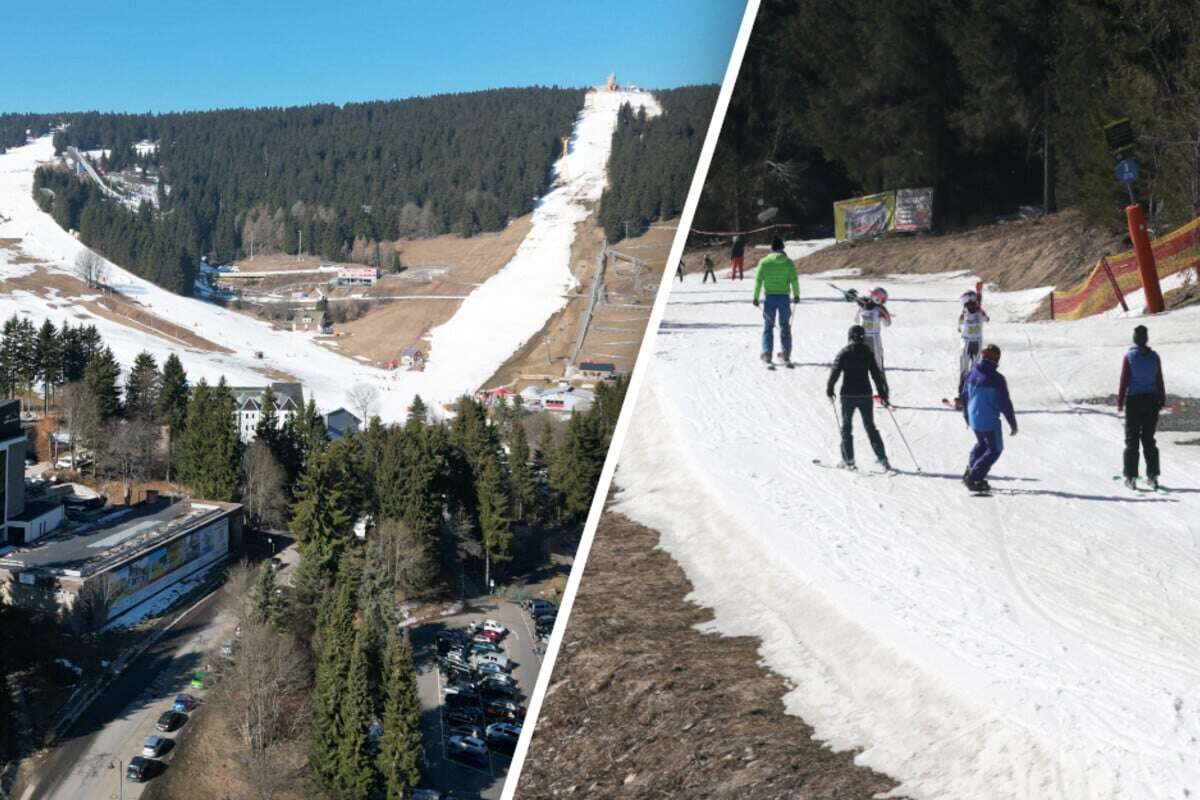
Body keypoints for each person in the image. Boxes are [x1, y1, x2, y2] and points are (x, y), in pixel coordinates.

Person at [827, 324, 890, 470]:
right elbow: (876, 375)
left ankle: (849, 460)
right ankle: (883, 459)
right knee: (870, 427)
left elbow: (835, 372)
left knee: (846, 428)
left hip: (848, 395)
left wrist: (830, 389)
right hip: (865, 395)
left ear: (849, 337)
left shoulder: (844, 353)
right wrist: (882, 394)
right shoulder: (868, 353)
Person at [961, 343, 1017, 493]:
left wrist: (967, 416)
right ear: (997, 358)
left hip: (974, 418)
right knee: (995, 449)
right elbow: (1005, 404)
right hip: (989, 421)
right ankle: (974, 478)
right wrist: (1013, 423)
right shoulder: (997, 379)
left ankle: (971, 469)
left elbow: (964, 396)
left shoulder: (972, 373)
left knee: (982, 444)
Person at [1117, 324, 1165, 489]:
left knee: (1132, 440)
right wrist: (1162, 398)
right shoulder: (1154, 357)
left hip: (1134, 401)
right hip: (1152, 401)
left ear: (1135, 339)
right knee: (1149, 439)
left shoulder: (1129, 356)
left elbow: (1124, 380)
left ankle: (1131, 477)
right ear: (1147, 339)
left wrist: (1120, 401)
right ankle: (1152, 476)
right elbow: (1159, 379)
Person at [751, 237, 800, 366]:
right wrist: (796, 295)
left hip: (770, 298)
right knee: (784, 326)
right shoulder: (788, 262)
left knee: (768, 326)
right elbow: (794, 280)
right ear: (782, 248)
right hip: (784, 298)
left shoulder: (764, 262)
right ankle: (786, 353)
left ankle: (767, 353)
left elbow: (758, 281)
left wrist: (755, 297)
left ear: (771, 248)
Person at [955, 290, 990, 407]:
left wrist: (978, 310)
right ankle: (964, 396)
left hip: (968, 344)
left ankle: (969, 396)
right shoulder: (977, 313)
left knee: (969, 371)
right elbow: (986, 318)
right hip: (973, 344)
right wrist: (979, 309)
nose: (967, 306)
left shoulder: (966, 314)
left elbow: (959, 327)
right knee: (968, 371)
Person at [854, 286, 891, 373]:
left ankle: (877, 371)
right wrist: (863, 308)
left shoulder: (877, 309)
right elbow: (856, 320)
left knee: (875, 355)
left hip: (870, 336)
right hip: (867, 336)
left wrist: (882, 311)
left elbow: (887, 323)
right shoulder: (865, 307)